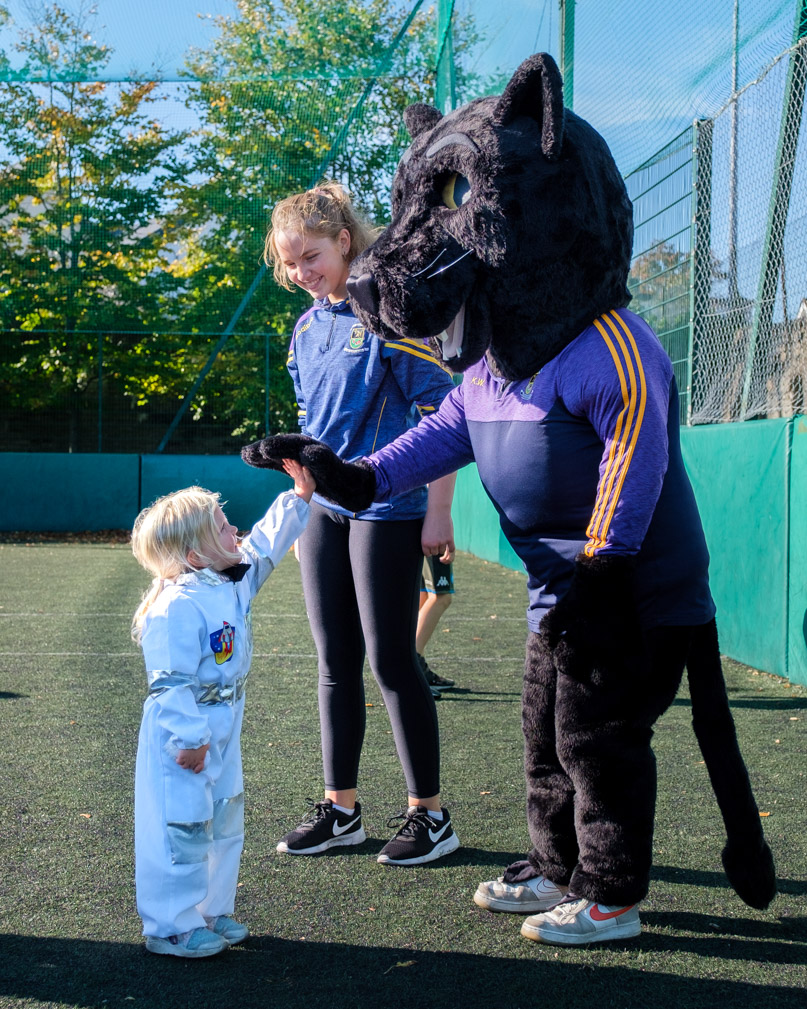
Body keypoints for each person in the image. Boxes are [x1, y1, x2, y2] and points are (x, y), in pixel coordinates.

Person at [264, 180, 460, 865]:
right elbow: (315, 428)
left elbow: (443, 416)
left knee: (391, 658)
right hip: (325, 511)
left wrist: (438, 509)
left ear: (344, 240)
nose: (300, 272)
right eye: (290, 264)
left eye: (310, 256)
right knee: (333, 661)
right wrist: (301, 499)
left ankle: (428, 815)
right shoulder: (306, 326)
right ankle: (340, 808)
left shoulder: (389, 311)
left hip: (390, 504)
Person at [130, 464, 314, 957]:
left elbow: (267, 545)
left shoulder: (227, 580)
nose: (235, 530)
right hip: (187, 733)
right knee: (183, 822)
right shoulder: (175, 606)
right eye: (221, 527)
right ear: (193, 555)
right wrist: (190, 738)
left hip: (225, 722)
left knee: (224, 816)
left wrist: (298, 498)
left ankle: (212, 909)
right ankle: (171, 925)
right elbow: (168, 684)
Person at [416, 555, 456, 692]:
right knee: (441, 597)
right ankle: (411, 666)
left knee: (423, 593)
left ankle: (417, 670)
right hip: (432, 535)